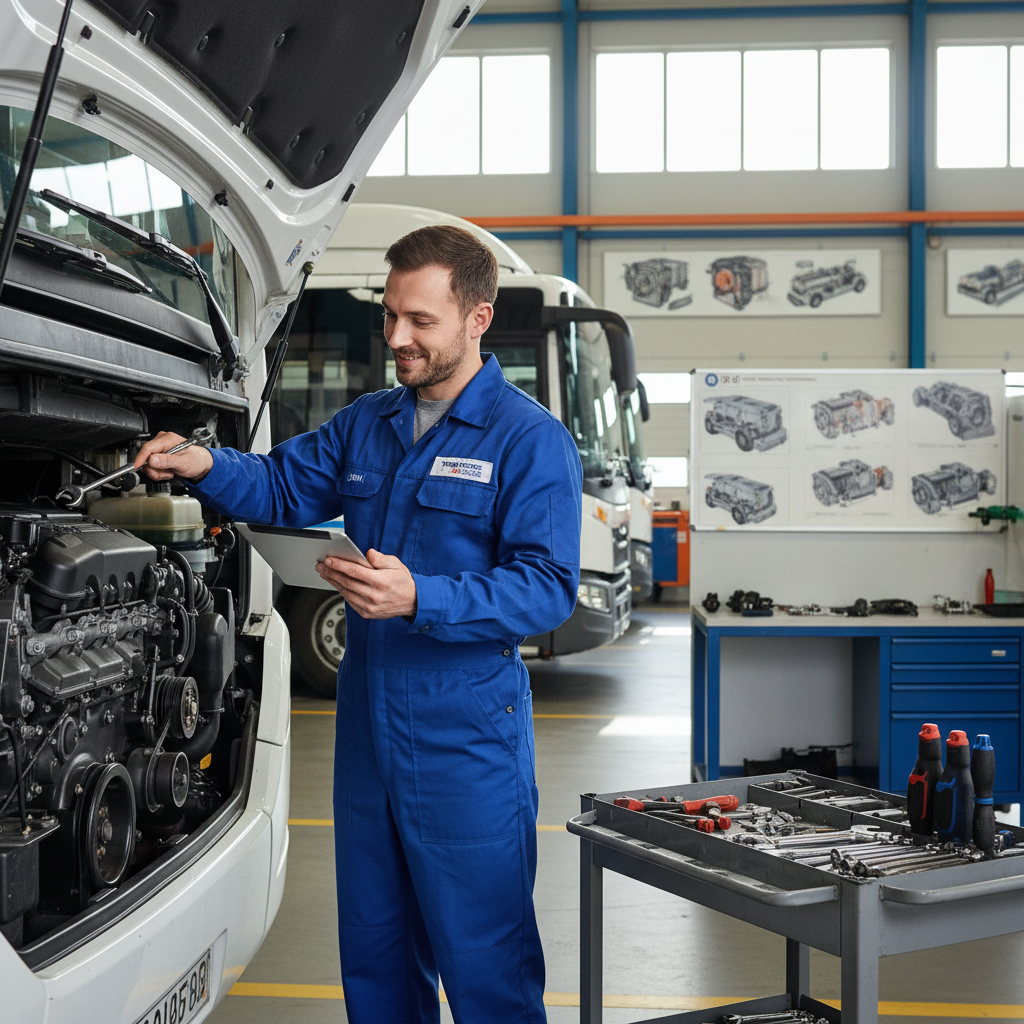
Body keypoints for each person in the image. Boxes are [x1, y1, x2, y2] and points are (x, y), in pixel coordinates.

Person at [136, 224, 583, 1024]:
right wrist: (205, 464)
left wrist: (422, 597)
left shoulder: (530, 440)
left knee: (486, 962)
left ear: (477, 319)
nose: (398, 337)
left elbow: (548, 589)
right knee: (376, 957)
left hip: (465, 735)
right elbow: (281, 487)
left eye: (421, 321)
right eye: (391, 315)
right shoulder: (368, 422)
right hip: (368, 727)